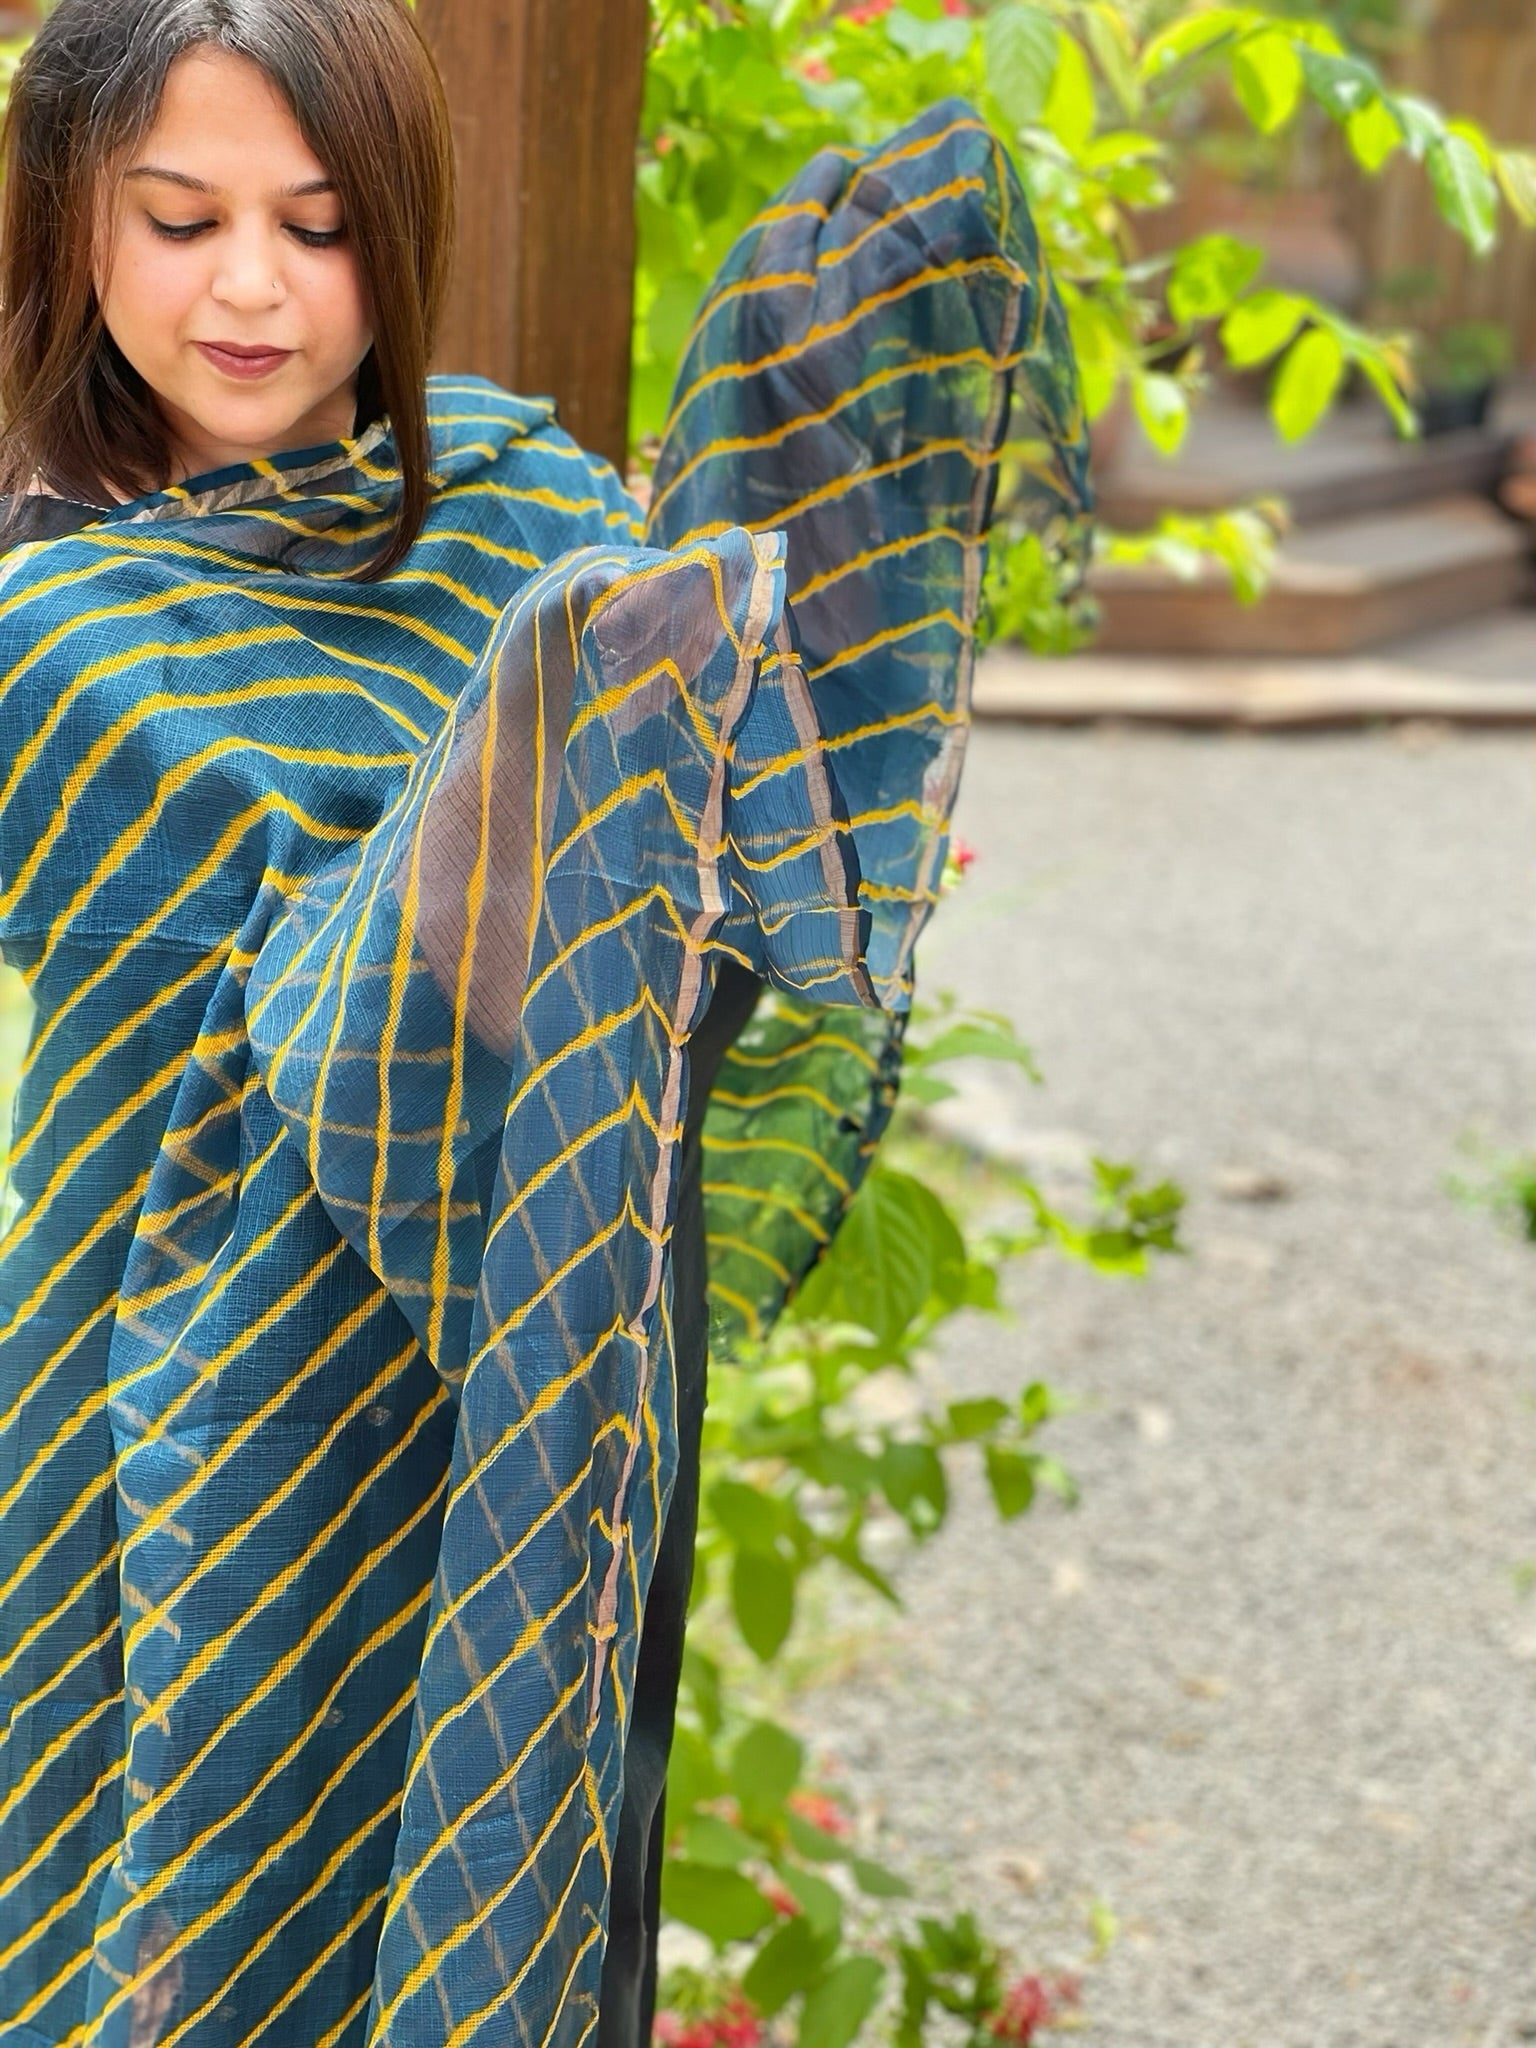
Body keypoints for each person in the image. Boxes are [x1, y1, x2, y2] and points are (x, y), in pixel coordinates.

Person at [0, 3, 1090, 2045]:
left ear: (400, 235)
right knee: (134, 1896)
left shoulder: (525, 520)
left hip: (508, 1364)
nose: (251, 286)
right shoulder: (46, 626)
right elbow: (260, 990)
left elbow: (685, 878)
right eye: (180, 216)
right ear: (70, 217)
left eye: (321, 227)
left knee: (477, 1835)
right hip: (131, 1392)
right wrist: (543, 709)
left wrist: (771, 570)